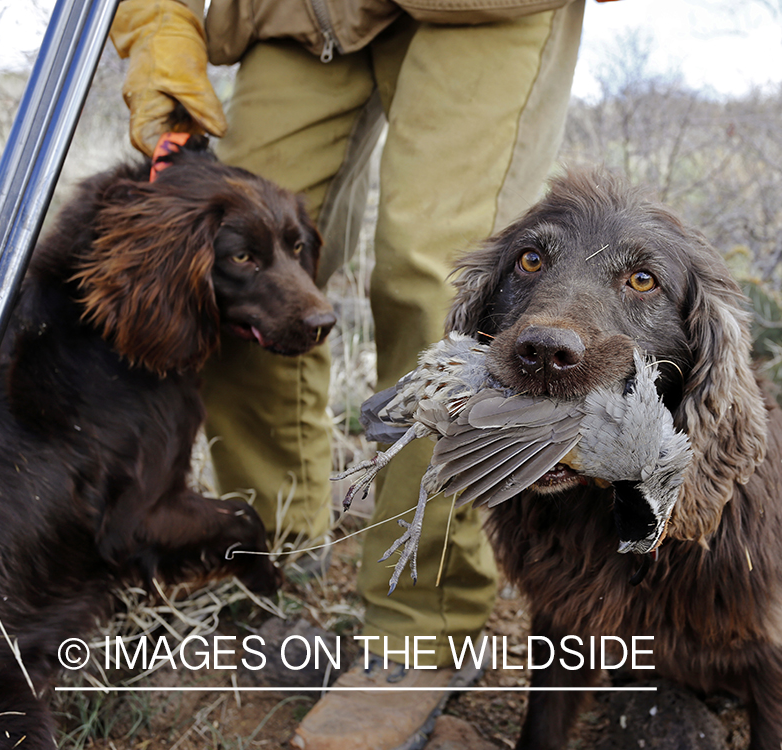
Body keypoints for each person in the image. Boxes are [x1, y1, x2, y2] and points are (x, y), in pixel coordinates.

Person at [109, 0, 587, 746]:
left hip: (484, 9)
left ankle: (420, 626)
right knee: (232, 274)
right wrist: (155, 22)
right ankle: (270, 552)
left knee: (434, 281)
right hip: (291, 10)